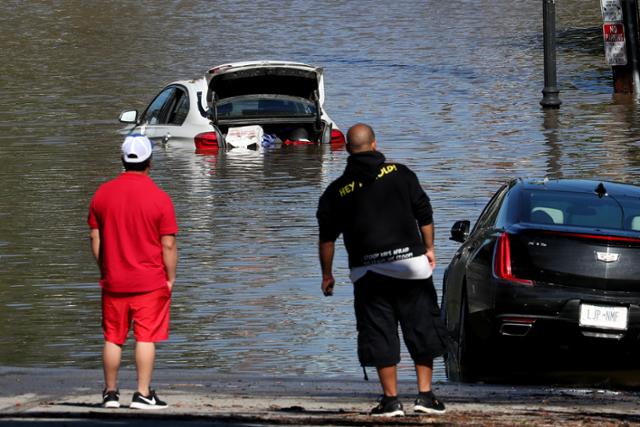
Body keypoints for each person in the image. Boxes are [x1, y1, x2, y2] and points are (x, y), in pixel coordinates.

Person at [316, 123, 448, 417]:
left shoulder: (336, 191)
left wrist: (327, 274)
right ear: (374, 144)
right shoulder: (401, 174)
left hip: (368, 273)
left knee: (379, 332)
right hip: (411, 268)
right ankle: (425, 396)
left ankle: (391, 401)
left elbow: (327, 238)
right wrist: (429, 249)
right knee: (421, 327)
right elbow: (424, 214)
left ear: (348, 150)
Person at [88, 134, 178, 410]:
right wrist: (170, 277)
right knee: (145, 337)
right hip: (149, 281)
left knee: (113, 337)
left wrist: (105, 266)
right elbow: (169, 244)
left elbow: (95, 238)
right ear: (150, 161)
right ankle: (142, 393)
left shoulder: (102, 194)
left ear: (123, 160)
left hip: (114, 279)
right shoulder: (160, 198)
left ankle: (110, 393)